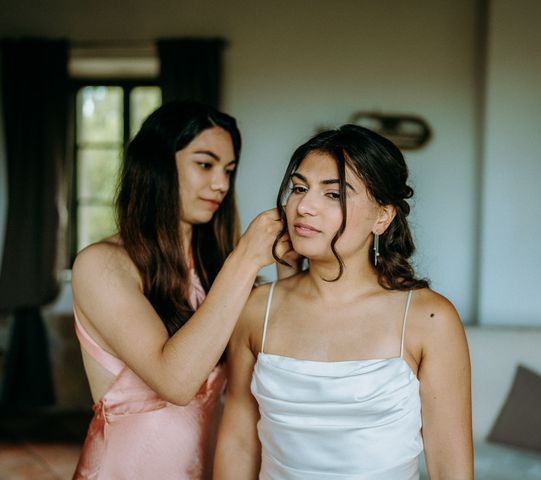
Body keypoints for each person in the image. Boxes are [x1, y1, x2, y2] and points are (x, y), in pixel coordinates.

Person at [214, 124, 473, 479]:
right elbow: (238, 446)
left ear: (382, 216)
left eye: (334, 195)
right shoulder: (256, 308)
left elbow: (450, 469)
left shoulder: (430, 318)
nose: (304, 206)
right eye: (300, 188)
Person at [71, 100, 293, 479]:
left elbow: (280, 357)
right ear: (157, 165)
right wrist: (245, 259)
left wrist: (289, 268)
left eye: (229, 170)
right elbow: (176, 381)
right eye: (205, 164)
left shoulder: (216, 274)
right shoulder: (101, 264)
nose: (221, 183)